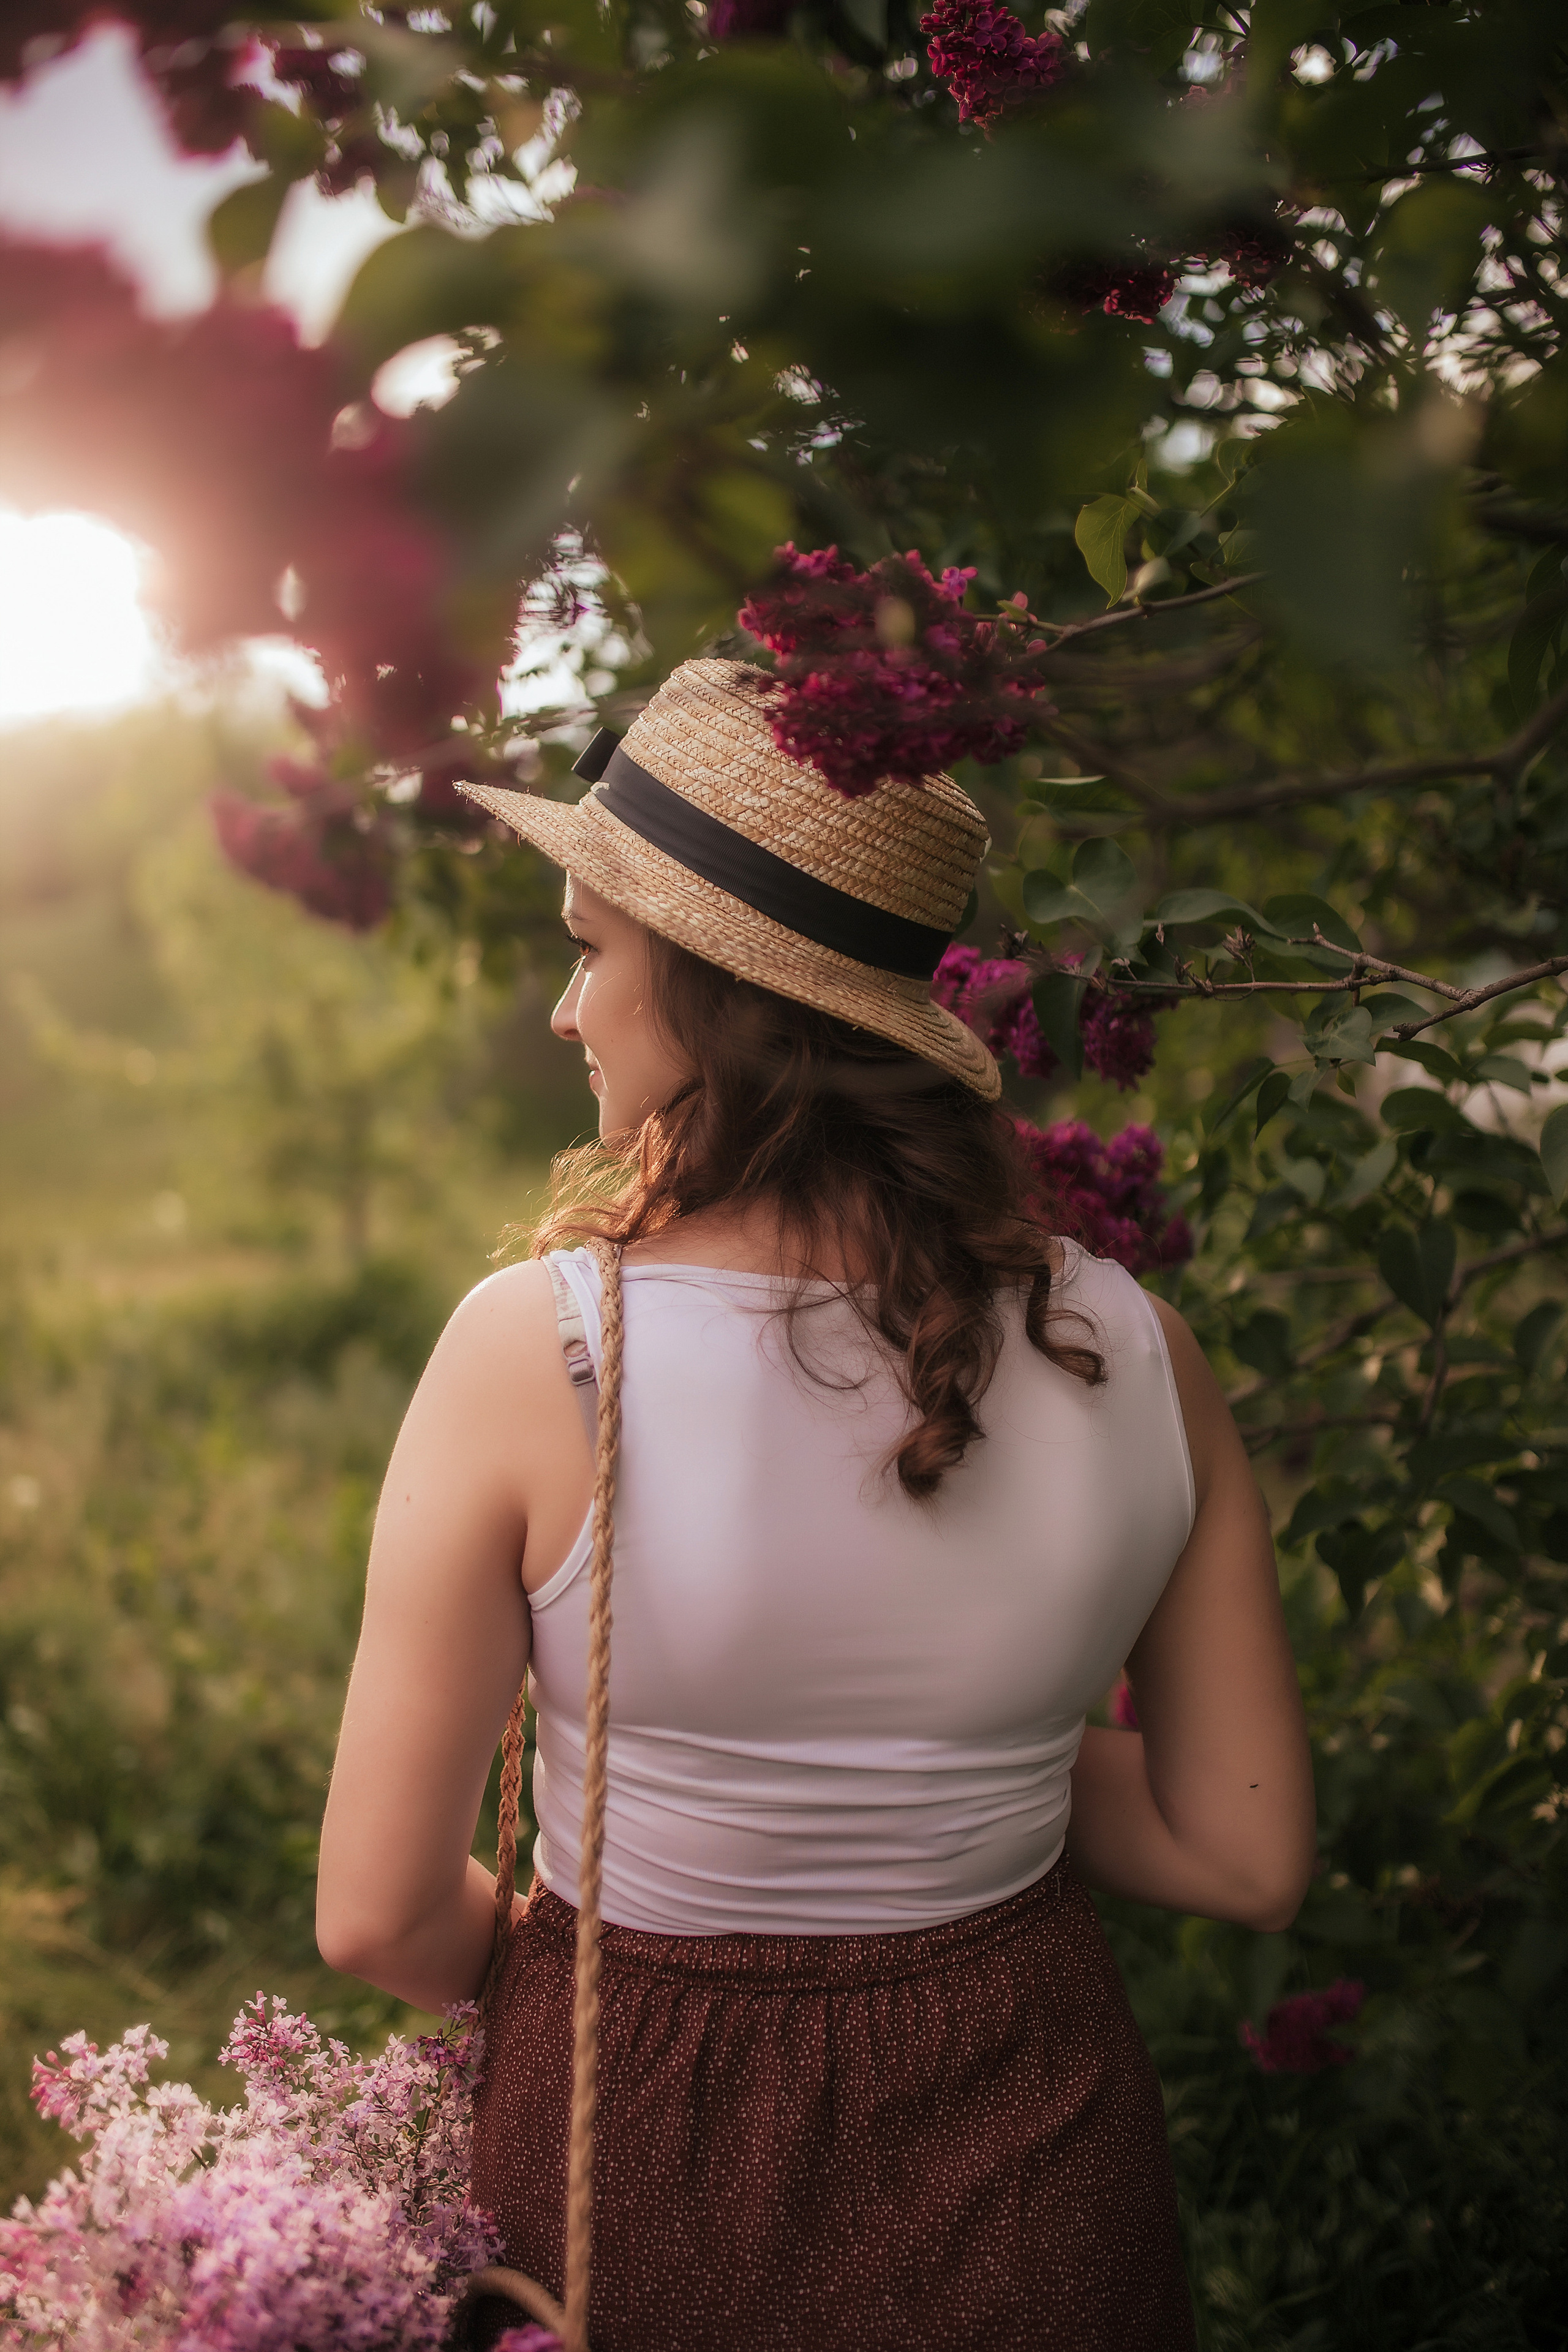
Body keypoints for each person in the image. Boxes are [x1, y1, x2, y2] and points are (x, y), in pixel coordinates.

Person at [316, 658, 1316, 2352]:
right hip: (1037, 2166)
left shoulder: (542, 1348)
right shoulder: (1140, 1350)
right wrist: (948, 1755)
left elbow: (378, 1913)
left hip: (641, 2158)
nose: (568, 1012)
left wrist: (747, 1784)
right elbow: (1245, 1848)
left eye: (588, 952)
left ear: (712, 991)